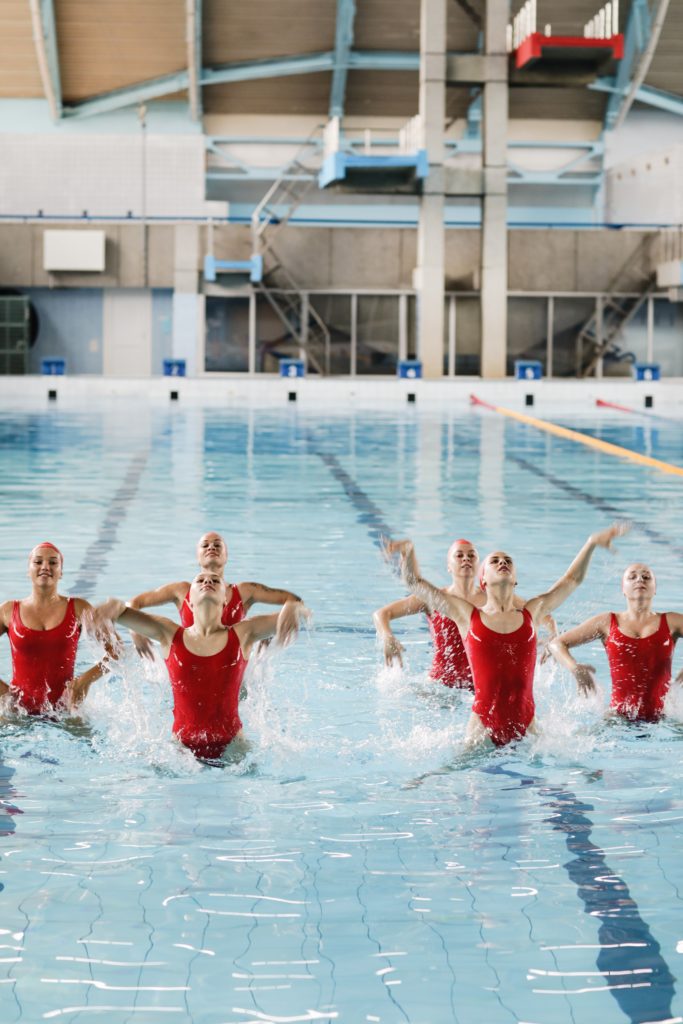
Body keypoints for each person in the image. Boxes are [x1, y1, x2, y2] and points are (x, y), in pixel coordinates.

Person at [385, 523, 628, 748]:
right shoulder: (466, 615)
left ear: (515, 579)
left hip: (528, 725)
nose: (503, 562)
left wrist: (592, 543)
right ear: (484, 580)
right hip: (482, 728)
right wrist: (408, 550)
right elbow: (414, 582)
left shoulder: (532, 612)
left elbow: (571, 580)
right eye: (495, 561)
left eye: (508, 560)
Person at [92, 572, 308, 760]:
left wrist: (292, 607)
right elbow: (122, 613)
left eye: (215, 580)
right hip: (180, 750)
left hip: (233, 747)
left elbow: (300, 612)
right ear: (190, 602)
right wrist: (114, 607)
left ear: (225, 601)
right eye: (200, 580)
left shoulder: (243, 633)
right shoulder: (169, 633)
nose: (208, 581)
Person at [127, 531, 302, 657]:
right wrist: (136, 632)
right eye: (205, 545)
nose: (211, 547)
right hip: (192, 663)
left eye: (218, 545)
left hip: (231, 669)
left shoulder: (245, 591)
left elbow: (294, 601)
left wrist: (271, 630)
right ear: (198, 557)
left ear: (227, 556)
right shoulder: (181, 590)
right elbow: (133, 604)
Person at [548, 563, 683, 722]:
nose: (639, 579)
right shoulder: (607, 622)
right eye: (632, 577)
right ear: (623, 589)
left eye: (646, 577)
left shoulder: (672, 621)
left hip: (662, 719)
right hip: (617, 719)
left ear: (655, 589)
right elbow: (556, 644)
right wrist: (575, 668)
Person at [0, 542, 114, 715]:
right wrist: (3, 692)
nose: (45, 566)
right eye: (38, 562)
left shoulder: (78, 608)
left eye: (53, 563)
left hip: (66, 711)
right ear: (28, 570)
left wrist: (86, 680)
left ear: (61, 572)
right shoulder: (8, 611)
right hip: (17, 712)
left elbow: (116, 652)